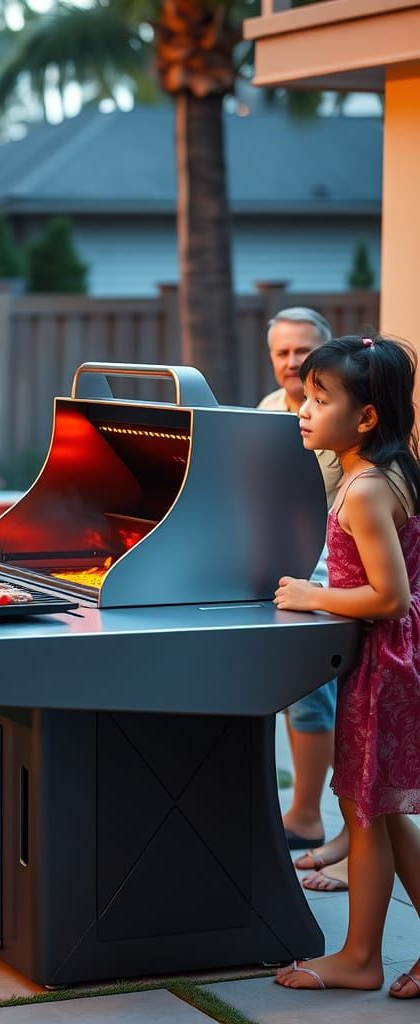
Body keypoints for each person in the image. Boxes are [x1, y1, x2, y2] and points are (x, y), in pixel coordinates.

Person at [273, 334, 420, 996]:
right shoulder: (386, 470)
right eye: (305, 395)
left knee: (364, 812)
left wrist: (312, 594)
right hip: (390, 662)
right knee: (384, 811)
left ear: (366, 417)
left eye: (319, 399)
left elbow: (388, 596)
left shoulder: (362, 488)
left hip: (381, 669)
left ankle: (360, 958)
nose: (303, 409)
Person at [258, 308, 345, 867]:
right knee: (286, 693)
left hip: (330, 578)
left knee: (311, 697)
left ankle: (310, 814)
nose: (292, 362)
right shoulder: (267, 411)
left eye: (303, 351)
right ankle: (307, 812)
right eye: (282, 352)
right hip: (281, 567)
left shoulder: (340, 420)